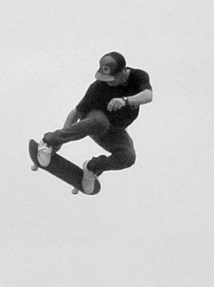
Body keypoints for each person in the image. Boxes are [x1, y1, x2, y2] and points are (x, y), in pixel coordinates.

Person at [36, 51, 154, 194]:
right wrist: (58, 140)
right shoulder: (98, 88)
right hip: (93, 121)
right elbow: (75, 113)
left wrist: (125, 100)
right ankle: (47, 141)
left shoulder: (138, 77)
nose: (108, 82)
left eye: (112, 78)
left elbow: (148, 95)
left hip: (114, 130)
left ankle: (92, 168)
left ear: (123, 71)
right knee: (100, 123)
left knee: (128, 157)